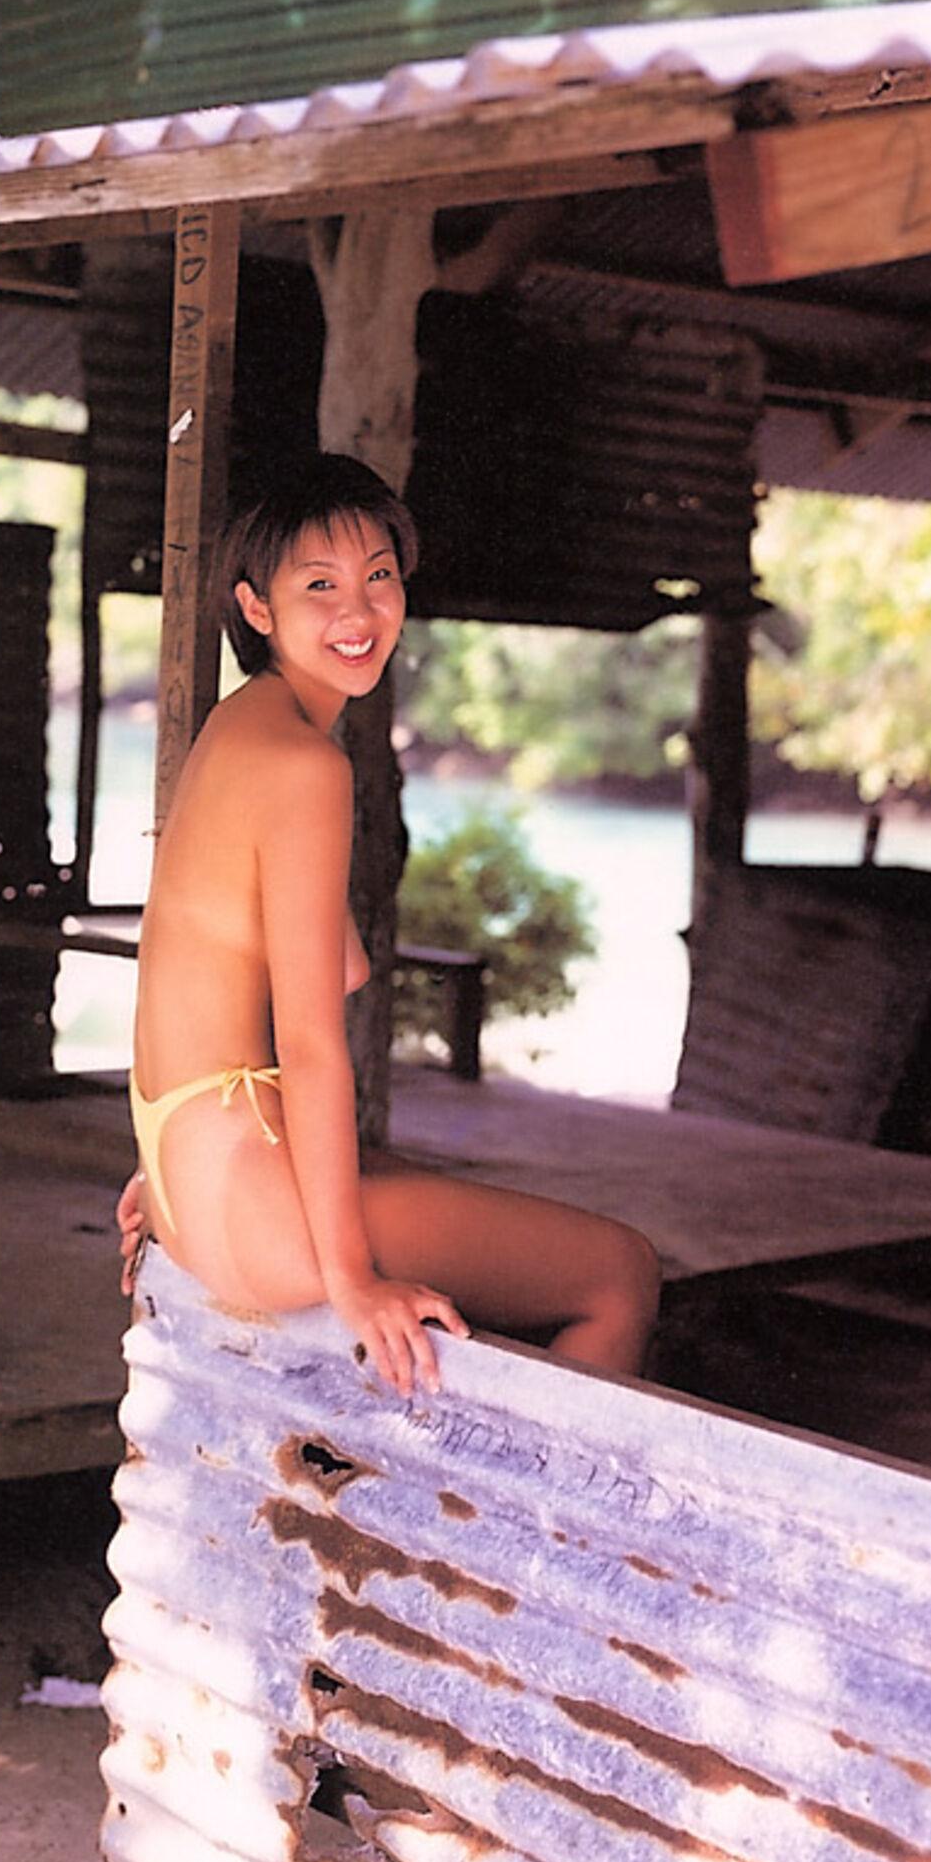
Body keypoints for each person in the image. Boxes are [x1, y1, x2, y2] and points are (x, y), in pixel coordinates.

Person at [115, 453, 661, 1398]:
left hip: (186, 1170)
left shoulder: (240, 727)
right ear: (256, 608)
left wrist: (170, 1176)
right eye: (319, 586)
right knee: (619, 1270)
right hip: (252, 1204)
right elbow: (311, 1043)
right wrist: (352, 1281)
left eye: (378, 576)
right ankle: (516, 1500)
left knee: (448, 1197)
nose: (358, 612)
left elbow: (313, 964)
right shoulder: (305, 767)